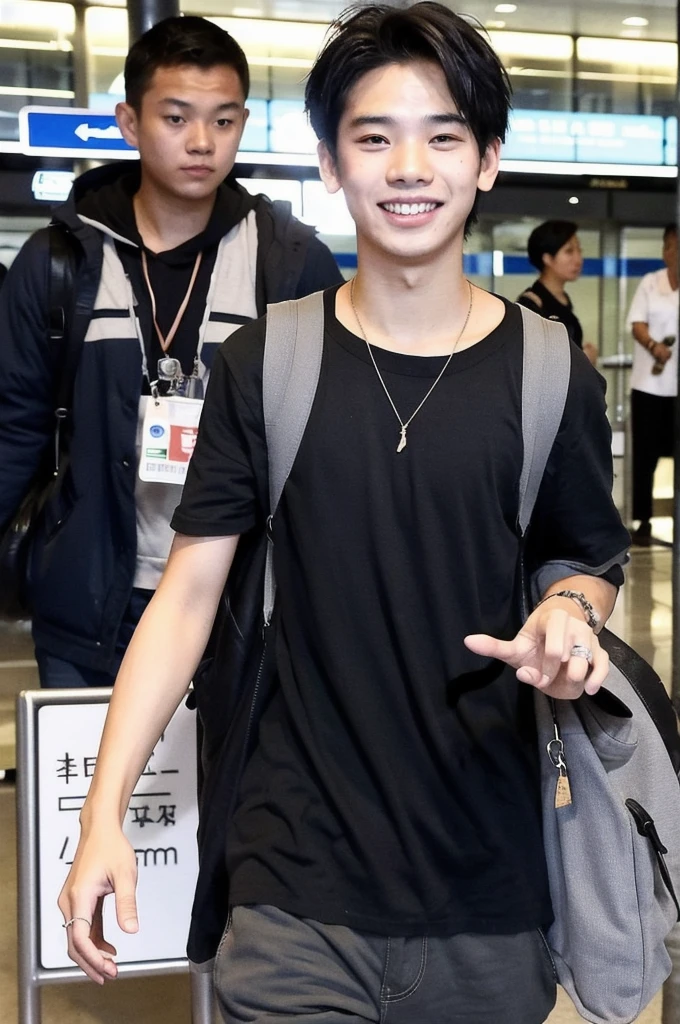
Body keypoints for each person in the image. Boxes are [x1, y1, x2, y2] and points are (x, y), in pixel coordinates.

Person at [58, 5, 630, 1022]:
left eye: (442, 135)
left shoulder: (548, 371)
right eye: (374, 136)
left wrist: (570, 615)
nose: (408, 164)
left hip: (489, 894)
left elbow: (581, 556)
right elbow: (185, 601)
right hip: (293, 890)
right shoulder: (263, 362)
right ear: (329, 162)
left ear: (486, 161)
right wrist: (102, 815)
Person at [0, 17, 342, 686]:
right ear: (130, 122)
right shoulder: (60, 263)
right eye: (176, 117)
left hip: (242, 604)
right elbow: (15, 427)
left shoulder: (288, 261)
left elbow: (332, 436)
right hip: (90, 604)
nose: (201, 143)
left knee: (225, 792)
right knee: (99, 789)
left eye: (222, 121)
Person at [626, 223, 679, 546]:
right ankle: (642, 519)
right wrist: (653, 346)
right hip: (649, 386)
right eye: (671, 245)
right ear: (665, 249)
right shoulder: (651, 283)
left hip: (677, 390)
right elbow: (638, 325)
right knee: (646, 457)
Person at [517, 219, 598, 366]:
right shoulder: (531, 304)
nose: (578, 259)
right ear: (547, 258)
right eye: (569, 251)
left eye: (579, 250)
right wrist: (583, 361)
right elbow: (532, 361)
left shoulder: (564, 299)